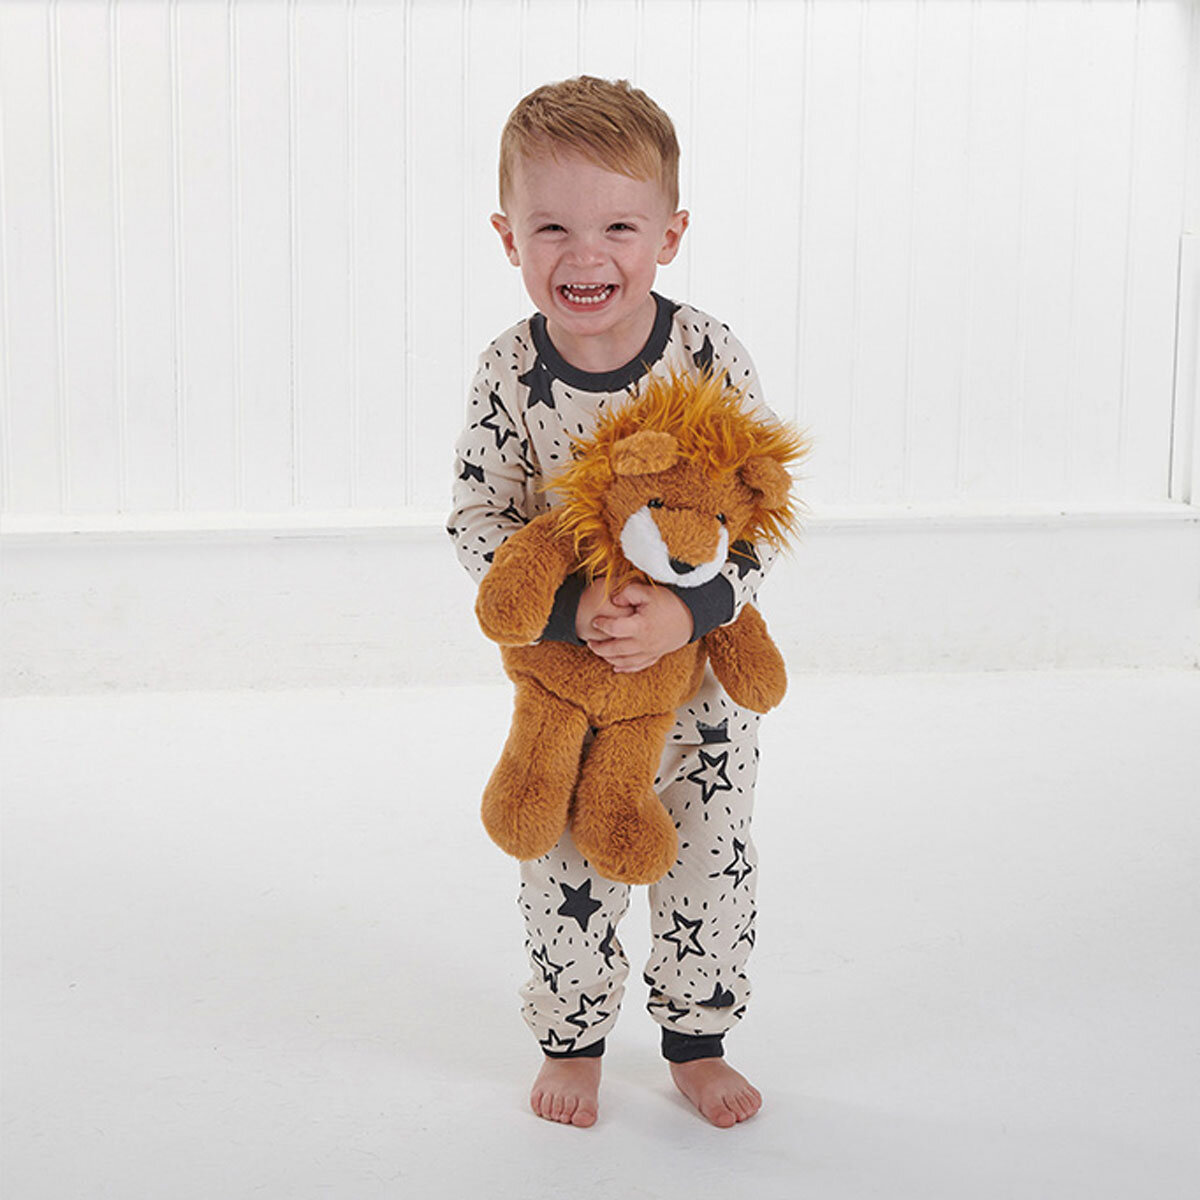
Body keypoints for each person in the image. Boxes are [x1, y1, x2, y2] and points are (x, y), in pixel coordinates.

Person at [447, 75, 784, 1129]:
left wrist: (694, 612)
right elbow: (477, 518)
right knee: (565, 869)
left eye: (618, 227)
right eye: (552, 227)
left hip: (699, 703)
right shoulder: (510, 372)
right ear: (508, 237)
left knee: (706, 871)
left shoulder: (706, 355)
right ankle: (574, 1034)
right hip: (575, 698)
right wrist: (563, 614)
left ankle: (697, 1036)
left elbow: (758, 509)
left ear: (670, 235)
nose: (584, 256)